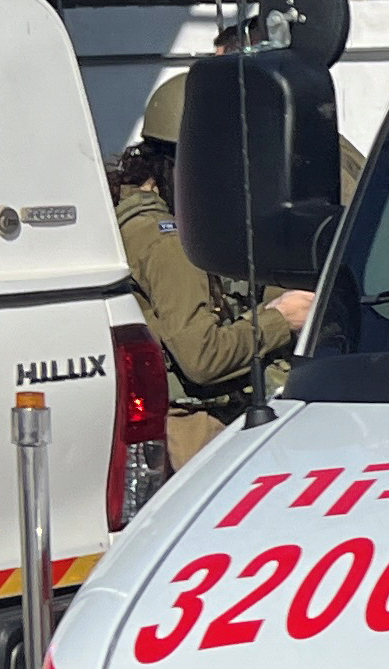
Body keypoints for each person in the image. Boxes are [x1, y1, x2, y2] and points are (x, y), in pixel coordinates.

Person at [112, 74, 311, 466]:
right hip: (195, 429)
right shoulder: (166, 240)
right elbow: (201, 357)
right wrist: (280, 319)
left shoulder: (149, 217)